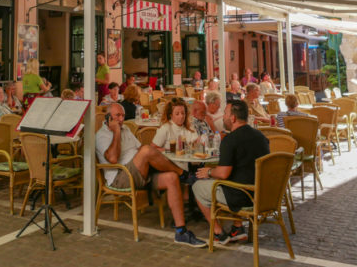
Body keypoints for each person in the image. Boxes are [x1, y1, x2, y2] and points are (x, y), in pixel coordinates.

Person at [96, 103, 207, 248]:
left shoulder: (127, 130)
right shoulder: (101, 135)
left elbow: (139, 148)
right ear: (108, 117)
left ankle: (181, 232)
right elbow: (112, 159)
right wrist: (116, 131)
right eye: (117, 116)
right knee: (148, 151)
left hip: (140, 171)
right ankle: (184, 175)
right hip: (121, 177)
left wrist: (159, 154)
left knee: (171, 177)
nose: (121, 119)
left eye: (123, 115)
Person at [193, 100, 270, 244]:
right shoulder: (261, 137)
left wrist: (208, 172)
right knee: (235, 179)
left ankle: (218, 232)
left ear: (233, 118)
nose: (223, 117)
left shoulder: (230, 140)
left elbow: (223, 173)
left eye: (225, 114)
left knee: (198, 186)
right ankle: (237, 228)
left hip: (242, 196)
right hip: (263, 194)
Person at [152, 98, 199, 171]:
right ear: (170, 115)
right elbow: (153, 148)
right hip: (171, 166)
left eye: (183, 113)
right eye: (177, 114)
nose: (181, 116)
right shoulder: (165, 128)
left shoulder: (188, 127)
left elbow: (196, 143)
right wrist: (170, 150)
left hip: (187, 165)